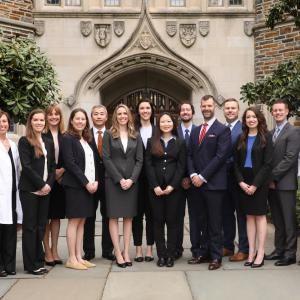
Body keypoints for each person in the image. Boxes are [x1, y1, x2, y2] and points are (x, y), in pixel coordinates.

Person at [187, 95, 231, 270]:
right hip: (197, 184)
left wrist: (202, 176)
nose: (206, 108)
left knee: (214, 222)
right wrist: (192, 175)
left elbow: (220, 157)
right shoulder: (196, 130)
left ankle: (216, 257)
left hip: (214, 185)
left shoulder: (222, 130)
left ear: (214, 107)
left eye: (209, 105)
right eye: (203, 105)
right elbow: (190, 155)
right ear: (200, 107)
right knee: (201, 221)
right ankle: (203, 253)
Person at [102, 104, 143, 268]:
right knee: (113, 217)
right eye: (119, 113)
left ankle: (126, 251)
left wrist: (132, 179)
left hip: (132, 183)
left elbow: (140, 160)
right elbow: (106, 158)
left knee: (128, 217)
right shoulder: (108, 134)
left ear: (129, 116)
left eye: (125, 113)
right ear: (115, 116)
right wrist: (119, 179)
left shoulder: (136, 135)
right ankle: (117, 252)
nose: (122, 116)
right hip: (113, 182)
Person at [146, 113, 186, 267]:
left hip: (173, 189)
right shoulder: (152, 141)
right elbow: (148, 165)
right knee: (158, 221)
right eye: (163, 121)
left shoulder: (180, 142)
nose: (166, 124)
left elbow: (181, 166)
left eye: (169, 121)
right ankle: (161, 255)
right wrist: (155, 185)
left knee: (172, 221)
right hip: (155, 188)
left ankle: (170, 255)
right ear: (158, 124)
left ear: (174, 123)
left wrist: (172, 186)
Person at [234, 107, 273, 268]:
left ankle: (261, 252)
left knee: (260, 216)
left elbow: (268, 164)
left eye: (253, 117)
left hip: (260, 182)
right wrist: (241, 182)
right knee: (249, 217)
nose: (251, 119)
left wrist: (255, 185)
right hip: (244, 181)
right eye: (248, 117)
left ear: (259, 119)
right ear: (245, 120)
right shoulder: (240, 138)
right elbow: (235, 164)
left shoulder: (266, 137)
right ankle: (251, 251)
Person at [18, 109, 56, 275]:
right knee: (30, 228)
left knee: (41, 227)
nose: (39, 122)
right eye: (36, 120)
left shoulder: (48, 141)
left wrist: (48, 185)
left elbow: (53, 167)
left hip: (45, 191)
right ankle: (31, 265)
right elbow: (26, 167)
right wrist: (41, 184)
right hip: (30, 191)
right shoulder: (24, 141)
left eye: (42, 120)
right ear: (30, 122)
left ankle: (39, 262)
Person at [62, 108, 98, 270]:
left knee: (82, 222)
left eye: (83, 119)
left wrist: (95, 181)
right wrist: (86, 183)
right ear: (71, 120)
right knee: (74, 221)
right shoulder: (67, 138)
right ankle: (71, 258)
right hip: (76, 186)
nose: (80, 121)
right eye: (77, 119)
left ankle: (78, 256)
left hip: (87, 186)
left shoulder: (87, 138)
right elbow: (70, 164)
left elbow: (92, 162)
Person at [266, 100, 300, 266]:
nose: (277, 113)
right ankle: (279, 250)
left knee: (288, 220)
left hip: (285, 184)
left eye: (280, 110)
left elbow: (290, 158)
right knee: (277, 220)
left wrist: (272, 177)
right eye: (275, 110)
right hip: (272, 185)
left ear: (287, 111)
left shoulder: (293, 131)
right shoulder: (271, 132)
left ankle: (290, 253)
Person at [83, 105, 114, 261]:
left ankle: (108, 250)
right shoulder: (84, 134)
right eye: (96, 114)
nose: (99, 116)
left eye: (102, 114)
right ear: (92, 116)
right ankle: (88, 250)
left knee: (108, 215)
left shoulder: (112, 134)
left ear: (106, 117)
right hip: (90, 182)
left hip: (109, 181)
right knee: (89, 216)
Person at [222, 98, 249, 261]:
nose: (230, 110)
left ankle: (244, 248)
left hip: (237, 178)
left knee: (241, 215)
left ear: (238, 110)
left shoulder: (243, 130)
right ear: (223, 110)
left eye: (233, 108)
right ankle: (227, 245)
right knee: (226, 214)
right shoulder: (222, 128)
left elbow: (239, 157)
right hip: (222, 180)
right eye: (227, 108)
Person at [132, 99, 155, 262]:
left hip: (153, 179)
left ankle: (149, 249)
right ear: (138, 111)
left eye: (148, 108)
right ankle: (138, 249)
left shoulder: (158, 129)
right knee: (137, 215)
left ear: (152, 111)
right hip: (136, 179)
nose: (145, 110)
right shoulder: (133, 130)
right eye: (142, 108)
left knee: (152, 215)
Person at [43, 105, 65, 266]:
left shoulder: (64, 135)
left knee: (56, 217)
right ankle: (47, 251)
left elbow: (69, 157)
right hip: (45, 180)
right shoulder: (42, 134)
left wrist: (61, 170)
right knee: (45, 217)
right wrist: (53, 174)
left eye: (56, 114)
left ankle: (55, 249)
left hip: (61, 180)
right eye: (50, 115)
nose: (53, 117)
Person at [0, 110, 22, 277]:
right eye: (0, 122)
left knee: (10, 230)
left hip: (12, 193)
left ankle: (9, 265)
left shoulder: (13, 145)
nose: (3, 125)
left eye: (5, 122)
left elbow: (17, 170)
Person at [176, 102, 196, 260]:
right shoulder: (173, 131)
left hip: (196, 181)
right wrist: (180, 177)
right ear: (179, 114)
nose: (185, 112)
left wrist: (191, 176)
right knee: (177, 216)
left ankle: (197, 248)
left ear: (192, 112)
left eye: (188, 110)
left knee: (196, 217)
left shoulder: (199, 131)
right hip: (176, 182)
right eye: (182, 110)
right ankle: (177, 248)